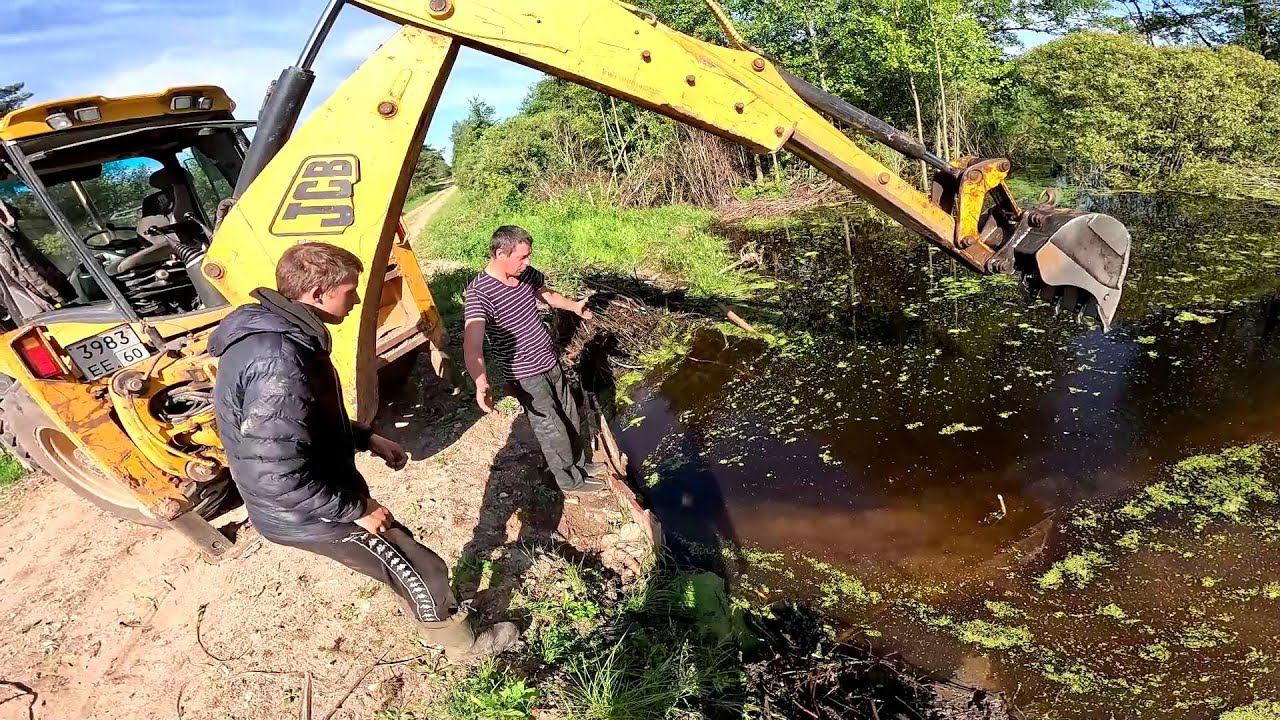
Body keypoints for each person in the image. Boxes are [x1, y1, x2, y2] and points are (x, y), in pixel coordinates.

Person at [209, 241, 516, 660]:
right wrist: (356, 508)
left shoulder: (278, 335)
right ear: (317, 294)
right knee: (418, 566)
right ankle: (464, 646)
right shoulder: (279, 358)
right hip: (302, 509)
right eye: (349, 290)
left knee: (398, 559)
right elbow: (276, 476)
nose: (356, 299)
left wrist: (365, 437)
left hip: (309, 493)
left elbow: (304, 421)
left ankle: (434, 620)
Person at [463, 225, 607, 493]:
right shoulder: (479, 293)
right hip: (525, 374)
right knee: (550, 427)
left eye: (529, 256)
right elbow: (472, 345)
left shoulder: (525, 274)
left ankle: (580, 464)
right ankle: (568, 480)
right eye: (522, 257)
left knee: (569, 414)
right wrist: (481, 382)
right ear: (499, 253)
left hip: (549, 361)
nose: (528, 262)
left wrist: (574, 306)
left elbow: (547, 294)